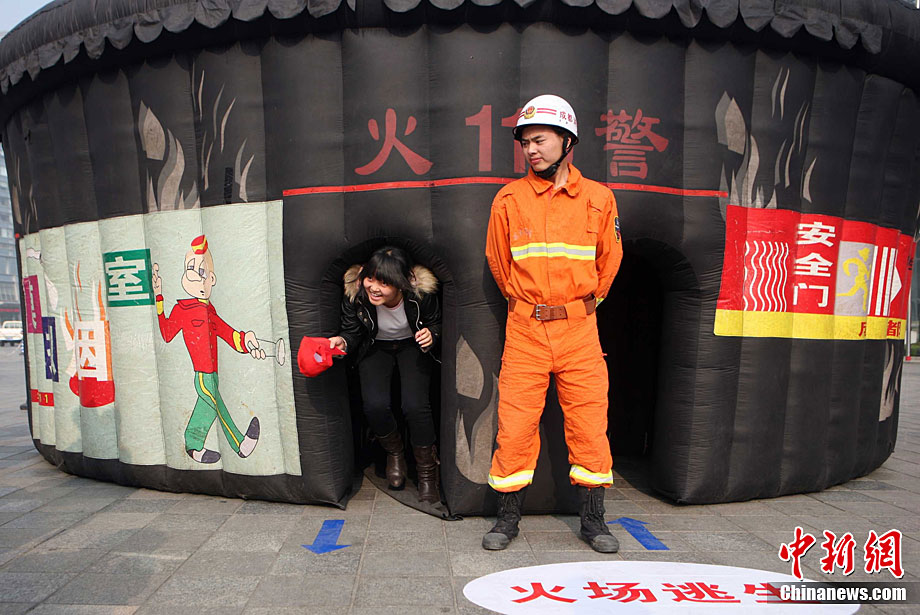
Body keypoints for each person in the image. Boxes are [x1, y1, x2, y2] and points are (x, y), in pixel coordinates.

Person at [482, 94, 623, 552]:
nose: (531, 150)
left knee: (589, 423)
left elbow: (609, 262)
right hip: (526, 329)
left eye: (539, 140)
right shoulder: (508, 199)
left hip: (580, 330)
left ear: (566, 140)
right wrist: (529, 305)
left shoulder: (599, 199)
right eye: (525, 143)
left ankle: (594, 521)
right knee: (515, 425)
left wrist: (580, 307)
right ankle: (507, 520)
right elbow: (499, 264)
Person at [328, 246, 443, 503]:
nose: (374, 288)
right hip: (375, 345)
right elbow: (352, 331)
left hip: (411, 345)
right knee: (375, 405)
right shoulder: (357, 294)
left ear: (403, 282)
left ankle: (427, 472)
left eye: (385, 283)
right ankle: (395, 453)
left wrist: (432, 334)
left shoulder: (421, 294)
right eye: (370, 278)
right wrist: (342, 342)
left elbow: (436, 321)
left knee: (415, 406)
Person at [151, 234, 264, 464]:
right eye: (190, 269)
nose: (195, 275)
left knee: (206, 408)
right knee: (218, 405)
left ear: (212, 278)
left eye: (201, 271)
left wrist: (247, 341)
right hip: (202, 374)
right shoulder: (183, 310)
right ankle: (240, 444)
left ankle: (193, 446)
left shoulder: (210, 311)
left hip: (214, 372)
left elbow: (228, 333)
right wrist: (159, 297)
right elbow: (167, 333)